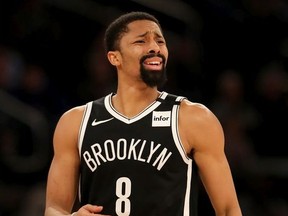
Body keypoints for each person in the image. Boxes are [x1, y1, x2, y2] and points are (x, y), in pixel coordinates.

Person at [44, 11, 242, 216]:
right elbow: (53, 209)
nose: (155, 48)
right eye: (141, 41)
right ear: (114, 58)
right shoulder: (76, 122)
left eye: (160, 41)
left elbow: (229, 210)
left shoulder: (193, 118)